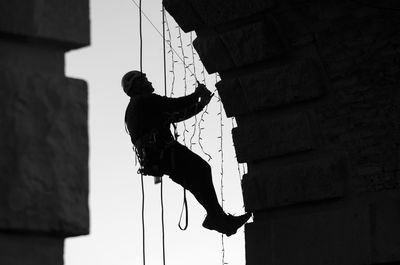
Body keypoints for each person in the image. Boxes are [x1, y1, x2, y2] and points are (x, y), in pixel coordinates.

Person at [123, 70, 251, 236]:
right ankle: (216, 218)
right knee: (202, 170)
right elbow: (174, 105)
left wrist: (201, 104)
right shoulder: (144, 100)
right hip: (165, 151)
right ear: (137, 85)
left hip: (160, 158)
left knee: (195, 182)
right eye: (144, 79)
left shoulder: (140, 106)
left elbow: (175, 115)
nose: (148, 81)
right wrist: (196, 94)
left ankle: (218, 219)